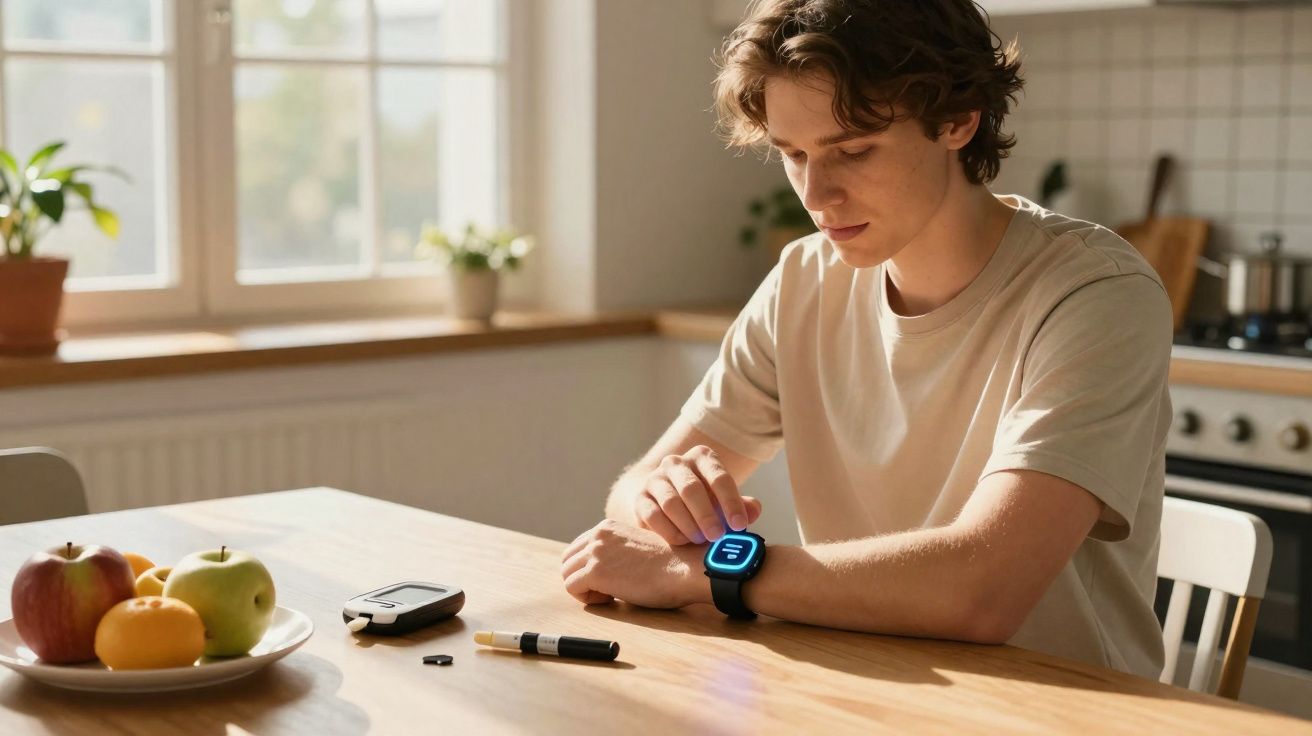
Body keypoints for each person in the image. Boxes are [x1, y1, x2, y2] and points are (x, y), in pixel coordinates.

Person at [559, 0, 1171, 680]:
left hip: (1059, 708)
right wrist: (661, 495)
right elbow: (632, 499)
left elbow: (982, 592)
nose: (816, 193)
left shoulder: (1096, 293)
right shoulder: (804, 278)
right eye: (793, 154)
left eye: (852, 150)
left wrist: (708, 572)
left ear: (957, 120)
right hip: (865, 683)